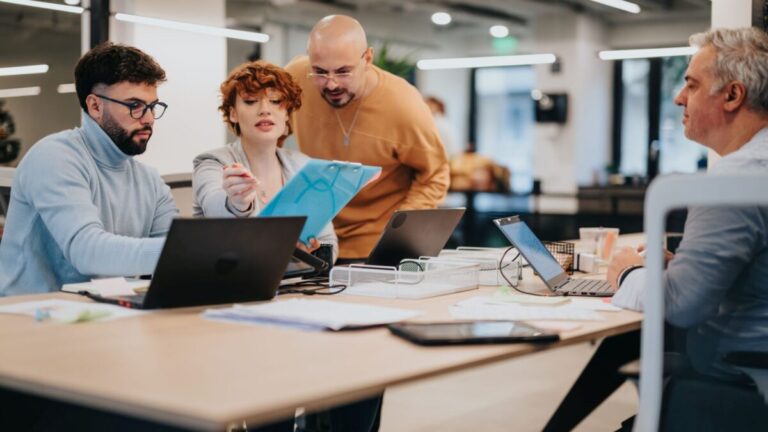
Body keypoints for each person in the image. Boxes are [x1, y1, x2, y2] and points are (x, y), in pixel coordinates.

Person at [608, 27, 768, 384]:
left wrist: (628, 272)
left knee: (624, 358)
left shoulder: (735, 178)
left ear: (732, 95)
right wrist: (684, 267)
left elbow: (681, 304)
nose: (680, 98)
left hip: (735, 384)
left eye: (692, 85)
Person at [0, 42, 178, 297]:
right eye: (135, 106)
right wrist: (183, 252)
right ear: (95, 106)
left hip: (102, 307)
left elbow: (176, 248)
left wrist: (195, 252)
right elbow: (87, 252)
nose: (148, 118)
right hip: (28, 312)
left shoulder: (150, 180)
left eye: (152, 107)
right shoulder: (55, 157)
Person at [285, 15, 449, 262]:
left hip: (375, 245)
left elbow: (434, 175)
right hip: (313, 240)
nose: (331, 84)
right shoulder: (295, 79)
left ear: (368, 58)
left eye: (343, 72)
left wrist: (398, 232)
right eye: (319, 72)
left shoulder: (403, 105)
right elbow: (269, 135)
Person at [192, 60, 338, 261]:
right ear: (233, 114)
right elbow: (216, 210)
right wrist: (236, 202)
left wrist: (310, 256)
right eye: (251, 101)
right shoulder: (212, 162)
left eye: (275, 101)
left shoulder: (303, 165)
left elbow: (328, 241)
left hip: (293, 279)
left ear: (286, 113)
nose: (265, 110)